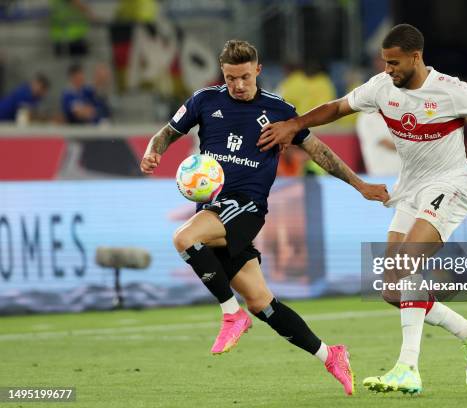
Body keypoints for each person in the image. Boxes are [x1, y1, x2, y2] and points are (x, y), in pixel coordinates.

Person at [258, 24, 467, 395]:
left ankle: (407, 368)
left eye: (394, 62)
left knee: (403, 266)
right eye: (384, 62)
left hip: (451, 186)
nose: (388, 70)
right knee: (390, 288)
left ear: (416, 56)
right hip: (410, 189)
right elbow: (337, 107)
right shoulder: (382, 87)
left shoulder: (454, 92)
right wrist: (295, 124)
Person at [139, 40, 388, 395]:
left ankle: (230, 314)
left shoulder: (279, 110)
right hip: (212, 211)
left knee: (183, 238)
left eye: (243, 77)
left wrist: (360, 185)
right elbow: (166, 133)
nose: (237, 85)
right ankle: (330, 354)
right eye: (229, 78)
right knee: (262, 303)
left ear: (257, 70)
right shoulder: (205, 101)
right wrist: (153, 151)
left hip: (246, 207)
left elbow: (318, 151)